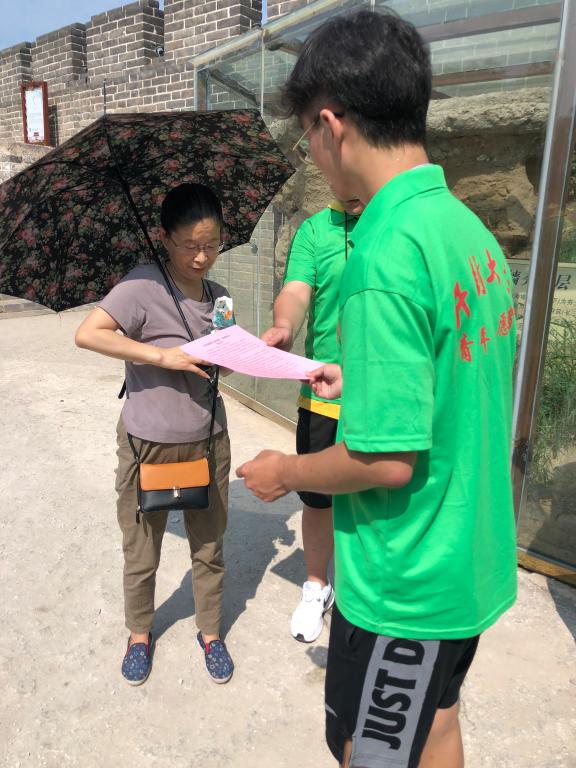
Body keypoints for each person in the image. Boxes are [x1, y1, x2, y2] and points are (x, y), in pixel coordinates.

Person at [237, 9, 517, 768]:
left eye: (307, 135)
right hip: (469, 556)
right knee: (437, 722)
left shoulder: (383, 254)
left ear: (331, 125)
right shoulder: (465, 230)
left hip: (407, 579)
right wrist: (357, 376)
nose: (313, 153)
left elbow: (386, 460)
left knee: (369, 748)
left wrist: (285, 471)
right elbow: (450, 371)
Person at [75, 182, 234, 686]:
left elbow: (224, 363)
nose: (202, 257)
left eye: (212, 244)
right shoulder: (141, 285)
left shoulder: (220, 296)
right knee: (142, 550)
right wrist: (163, 355)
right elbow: (88, 333)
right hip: (148, 445)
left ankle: (211, 632)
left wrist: (231, 355)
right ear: (165, 238)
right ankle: (140, 634)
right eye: (190, 246)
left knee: (209, 545)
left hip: (208, 440)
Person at [262, 197, 363, 643]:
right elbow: (297, 290)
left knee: (376, 496)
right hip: (323, 392)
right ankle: (317, 584)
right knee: (319, 497)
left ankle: (361, 589)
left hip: (382, 393)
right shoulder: (317, 229)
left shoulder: (397, 221)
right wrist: (285, 325)